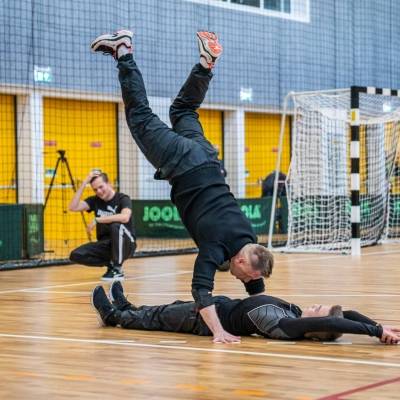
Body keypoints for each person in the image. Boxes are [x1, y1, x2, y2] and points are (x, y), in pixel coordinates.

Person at [90, 29, 274, 343]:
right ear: (242, 261)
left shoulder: (249, 239)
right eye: (244, 276)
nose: (242, 280)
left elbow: (254, 282)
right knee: (140, 116)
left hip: (208, 159)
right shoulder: (216, 247)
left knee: (183, 111)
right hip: (183, 163)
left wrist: (265, 309)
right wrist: (219, 332)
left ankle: (206, 64)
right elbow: (201, 291)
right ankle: (123, 51)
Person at [91, 281, 400, 344]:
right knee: (162, 309)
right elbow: (348, 312)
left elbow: (334, 320)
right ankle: (126, 307)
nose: (315, 305)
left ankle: (113, 316)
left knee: (157, 318)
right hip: (219, 305)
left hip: (202, 321)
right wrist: (379, 327)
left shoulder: (290, 326)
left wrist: (374, 332)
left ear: (316, 324)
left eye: (317, 309)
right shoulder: (294, 314)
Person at [69, 171, 136, 280]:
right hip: (106, 245)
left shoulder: (123, 198)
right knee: (75, 255)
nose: (99, 191)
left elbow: (125, 217)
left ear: (109, 184)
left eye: (101, 187)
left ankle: (117, 269)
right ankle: (111, 264)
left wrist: (98, 220)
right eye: (95, 189)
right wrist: (84, 182)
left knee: (115, 225)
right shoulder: (95, 201)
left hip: (126, 244)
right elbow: (73, 207)